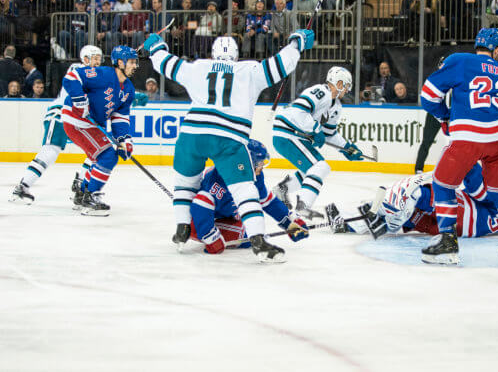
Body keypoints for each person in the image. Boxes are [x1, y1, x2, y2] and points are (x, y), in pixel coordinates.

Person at [142, 30, 313, 263]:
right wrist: (297, 43)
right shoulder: (249, 70)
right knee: (245, 192)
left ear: (213, 54)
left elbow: (167, 64)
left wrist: (156, 48)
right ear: (236, 55)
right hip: (228, 137)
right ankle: (259, 241)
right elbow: (281, 64)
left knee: (185, 184)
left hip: (192, 132)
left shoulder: (198, 67)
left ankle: (182, 227)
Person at [419, 28, 498, 265]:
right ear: (497, 50)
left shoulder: (459, 61)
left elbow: (427, 96)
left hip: (468, 137)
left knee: (442, 183)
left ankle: (448, 244)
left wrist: (445, 117)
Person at [325, 168, 498, 238]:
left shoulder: (491, 197)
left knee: (414, 196)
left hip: (454, 212)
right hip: (443, 226)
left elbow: (471, 177)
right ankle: (352, 223)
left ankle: (370, 216)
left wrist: (468, 155)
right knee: (411, 217)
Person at [9, 46, 104, 204]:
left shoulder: (96, 75)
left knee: (98, 151)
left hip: (78, 118)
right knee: (50, 151)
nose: (98, 61)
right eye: (95, 58)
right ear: (85, 58)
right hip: (61, 114)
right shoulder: (78, 68)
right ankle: (22, 187)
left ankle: (80, 185)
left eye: (99, 58)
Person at [271, 67, 363, 220]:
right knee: (320, 167)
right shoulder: (321, 92)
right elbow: (298, 111)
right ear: (339, 83)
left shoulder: (336, 107)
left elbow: (328, 134)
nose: (347, 90)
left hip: (294, 136)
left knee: (314, 170)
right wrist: (315, 128)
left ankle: (283, 188)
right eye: (346, 86)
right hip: (287, 134)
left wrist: (347, 148)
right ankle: (303, 206)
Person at [188, 141, 309, 254]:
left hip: (227, 214)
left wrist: (290, 222)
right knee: (245, 236)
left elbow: (267, 201)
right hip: (199, 218)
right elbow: (201, 203)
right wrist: (210, 237)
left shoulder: (255, 176)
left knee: (251, 234)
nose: (261, 167)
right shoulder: (218, 178)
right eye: (259, 163)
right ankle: (202, 232)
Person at [60, 45, 137, 216]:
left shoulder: (129, 89)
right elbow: (71, 77)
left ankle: (82, 192)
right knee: (107, 156)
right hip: (76, 120)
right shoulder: (103, 74)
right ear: (120, 62)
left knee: (102, 158)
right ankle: (91, 196)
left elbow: (120, 118)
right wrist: (79, 99)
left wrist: (125, 140)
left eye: (135, 62)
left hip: (91, 124)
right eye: (131, 62)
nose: (135, 66)